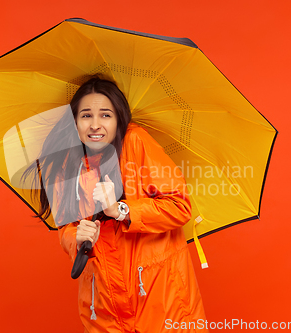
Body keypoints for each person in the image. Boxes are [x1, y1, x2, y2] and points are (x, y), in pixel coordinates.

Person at [29, 77, 208, 332]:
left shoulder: (136, 142)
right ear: (74, 122)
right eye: (86, 116)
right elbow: (66, 228)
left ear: (118, 118)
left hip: (161, 299)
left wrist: (122, 210)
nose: (95, 125)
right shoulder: (66, 164)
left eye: (105, 115)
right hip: (103, 304)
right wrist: (75, 239)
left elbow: (179, 206)